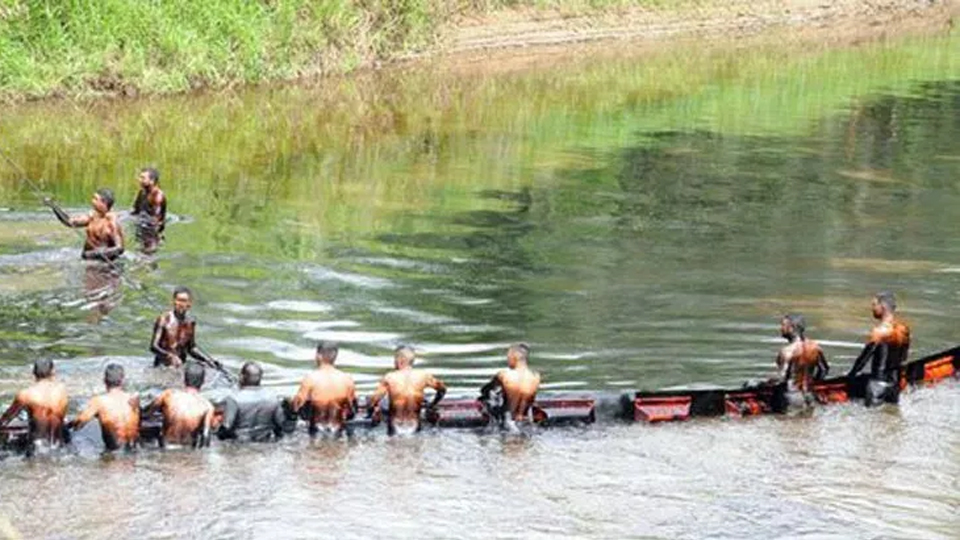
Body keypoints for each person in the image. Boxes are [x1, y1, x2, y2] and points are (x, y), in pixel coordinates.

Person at [848, 291, 911, 406]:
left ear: (882, 306)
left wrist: (850, 377)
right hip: (894, 386)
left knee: (873, 421)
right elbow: (904, 359)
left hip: (877, 386)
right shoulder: (904, 329)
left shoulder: (878, 332)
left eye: (874, 305)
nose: (872, 308)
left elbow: (863, 360)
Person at [368, 345, 446, 435]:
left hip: (395, 427)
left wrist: (372, 411)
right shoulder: (424, 376)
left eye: (395, 360)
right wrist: (432, 405)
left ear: (400, 360)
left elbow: (373, 400)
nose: (394, 363)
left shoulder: (389, 377)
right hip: (414, 426)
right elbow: (442, 389)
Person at [289, 343, 357, 436]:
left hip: (316, 431)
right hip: (337, 430)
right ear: (335, 357)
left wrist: (289, 403)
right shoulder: (347, 379)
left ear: (318, 355)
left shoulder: (310, 378)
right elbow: (351, 410)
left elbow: (296, 407)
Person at [68, 364, 140, 451]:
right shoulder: (134, 398)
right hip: (134, 453)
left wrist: (66, 425)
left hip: (113, 456)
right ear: (122, 380)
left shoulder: (99, 401)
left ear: (104, 381)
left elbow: (79, 424)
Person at [0, 359, 69, 448]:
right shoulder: (62, 391)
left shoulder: (25, 394)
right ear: (53, 371)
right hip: (59, 446)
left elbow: (7, 418)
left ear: (34, 373)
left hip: (36, 448)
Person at [150, 286, 221, 370]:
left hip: (180, 366)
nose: (181, 304)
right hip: (162, 366)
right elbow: (153, 346)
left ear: (189, 304)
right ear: (173, 301)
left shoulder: (190, 322)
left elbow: (191, 349)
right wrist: (170, 356)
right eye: (178, 300)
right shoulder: (163, 319)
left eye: (184, 301)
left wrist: (208, 361)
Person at [144, 362, 213, 448]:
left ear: (184, 379)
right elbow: (206, 438)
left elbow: (146, 414)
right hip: (188, 453)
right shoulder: (207, 406)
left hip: (165, 448)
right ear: (203, 381)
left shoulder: (168, 395)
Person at [44, 188, 124, 261]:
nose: (92, 201)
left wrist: (94, 254)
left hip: (105, 266)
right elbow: (69, 222)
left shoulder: (112, 222)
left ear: (104, 203)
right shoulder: (92, 217)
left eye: (95, 199)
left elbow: (119, 248)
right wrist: (53, 206)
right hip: (89, 261)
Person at [217, 362, 285, 442]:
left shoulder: (234, 398)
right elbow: (281, 425)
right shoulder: (272, 397)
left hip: (239, 444)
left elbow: (226, 427)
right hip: (265, 443)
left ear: (241, 377)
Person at [479, 343, 541, 429]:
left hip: (507, 423)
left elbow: (485, 390)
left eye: (508, 357)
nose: (508, 360)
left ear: (514, 357)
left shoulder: (504, 375)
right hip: (526, 423)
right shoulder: (536, 376)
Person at [774, 314, 829, 409]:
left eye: (783, 325)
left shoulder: (787, 351)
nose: (781, 329)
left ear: (792, 328)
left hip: (792, 397)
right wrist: (812, 383)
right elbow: (824, 370)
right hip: (809, 395)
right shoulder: (815, 347)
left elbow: (782, 378)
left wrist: (764, 383)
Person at [130, 167, 166, 254]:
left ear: (152, 181)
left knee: (148, 254)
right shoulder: (142, 193)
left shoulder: (158, 196)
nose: (139, 180)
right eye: (140, 177)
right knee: (139, 253)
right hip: (142, 227)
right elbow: (135, 212)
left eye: (143, 178)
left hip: (152, 233)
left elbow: (156, 221)